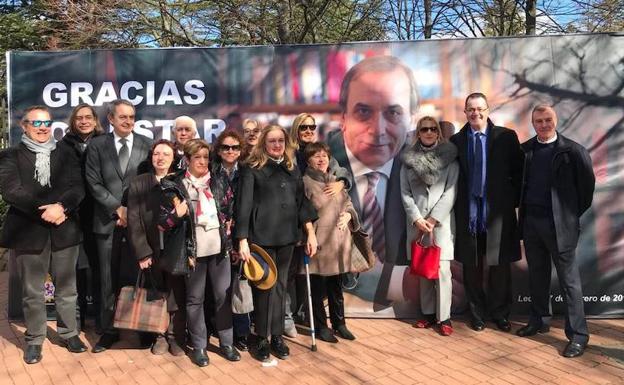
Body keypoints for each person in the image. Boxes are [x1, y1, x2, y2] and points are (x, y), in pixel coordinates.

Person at [0, 105, 87, 364]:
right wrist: (45, 211)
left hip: (65, 228)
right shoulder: (10, 155)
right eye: (37, 123)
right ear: (24, 126)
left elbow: (77, 186)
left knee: (67, 289)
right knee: (32, 291)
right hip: (29, 232)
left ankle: (69, 333)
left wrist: (62, 207)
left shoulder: (67, 152)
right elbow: (11, 190)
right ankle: (35, 339)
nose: (43, 128)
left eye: (47, 123)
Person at [327, 55, 415, 309]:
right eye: (363, 112)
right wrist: (400, 282)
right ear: (343, 119)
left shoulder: (420, 169)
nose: (377, 130)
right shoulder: (322, 168)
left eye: (393, 112)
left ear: (412, 118)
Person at [516, 104, 595, 358]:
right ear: (533, 123)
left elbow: (586, 191)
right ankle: (539, 320)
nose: (543, 124)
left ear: (555, 120)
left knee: (569, 283)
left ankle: (578, 336)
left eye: (547, 119)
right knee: (537, 276)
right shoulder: (525, 150)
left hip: (560, 226)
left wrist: (567, 217)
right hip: (532, 223)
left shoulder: (573, 152)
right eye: (538, 121)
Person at [235, 125, 318, 361]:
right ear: (264, 143)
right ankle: (261, 338)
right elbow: (244, 205)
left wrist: (310, 232)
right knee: (264, 288)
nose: (277, 145)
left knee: (281, 287)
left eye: (280, 140)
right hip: (261, 238)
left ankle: (277, 336)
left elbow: (302, 203)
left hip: (288, 238)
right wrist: (242, 240)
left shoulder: (292, 169)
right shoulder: (251, 168)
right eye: (272, 141)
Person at [159, 139, 240, 366]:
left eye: (206, 157)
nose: (203, 162)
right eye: (197, 157)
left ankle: (226, 343)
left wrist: (230, 234)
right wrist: (176, 214)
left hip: (218, 250)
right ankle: (200, 346)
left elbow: (229, 210)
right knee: (195, 299)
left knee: (223, 297)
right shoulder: (174, 185)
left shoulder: (219, 181)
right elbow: (162, 223)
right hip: (193, 252)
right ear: (187, 160)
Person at [449, 92, 524, 332]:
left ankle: (500, 313)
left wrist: (508, 201)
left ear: (488, 110)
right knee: (472, 266)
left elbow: (519, 173)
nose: (475, 113)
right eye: (470, 109)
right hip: (468, 216)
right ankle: (477, 313)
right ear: (465, 112)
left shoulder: (506, 137)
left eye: (480, 108)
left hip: (497, 215)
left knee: (500, 266)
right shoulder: (456, 142)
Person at [85, 99, 153, 352]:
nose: (128, 121)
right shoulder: (97, 146)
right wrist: (117, 208)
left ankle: (144, 328)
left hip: (138, 224)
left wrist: (132, 212)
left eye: (132, 117)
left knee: (140, 274)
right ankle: (108, 330)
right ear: (110, 119)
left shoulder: (147, 145)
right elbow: (93, 181)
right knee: (107, 277)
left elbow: (150, 181)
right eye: (122, 117)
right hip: (107, 221)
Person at [286, 113, 352, 336]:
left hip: (332, 233)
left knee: (333, 280)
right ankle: (307, 319)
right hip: (306, 229)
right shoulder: (291, 155)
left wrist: (342, 182)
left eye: (311, 126)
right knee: (306, 280)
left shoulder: (322, 155)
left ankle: (339, 323)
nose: (308, 130)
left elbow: (340, 172)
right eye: (303, 126)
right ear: (296, 128)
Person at [126, 139, 186, 356]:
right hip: (151, 248)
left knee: (176, 293)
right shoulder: (139, 183)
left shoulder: (180, 182)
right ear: (151, 157)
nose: (160, 158)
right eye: (157, 154)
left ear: (173, 159)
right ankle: (159, 336)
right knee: (156, 293)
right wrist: (142, 251)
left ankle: (174, 336)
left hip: (175, 248)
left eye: (166, 154)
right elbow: (134, 220)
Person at [400, 117, 459, 336]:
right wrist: (417, 218)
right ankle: (426, 314)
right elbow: (404, 192)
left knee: (442, 271)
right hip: (417, 223)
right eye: (424, 129)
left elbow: (451, 191)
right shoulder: (408, 160)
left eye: (433, 129)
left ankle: (444, 317)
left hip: (440, 225)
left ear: (438, 133)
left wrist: (434, 219)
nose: (428, 132)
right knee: (423, 270)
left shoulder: (451, 159)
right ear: (418, 133)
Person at [302, 142, 359, 343]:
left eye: (324, 155)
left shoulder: (336, 181)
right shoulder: (305, 183)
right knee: (317, 288)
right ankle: (320, 326)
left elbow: (349, 203)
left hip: (339, 242)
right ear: (308, 160)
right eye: (316, 156)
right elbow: (302, 213)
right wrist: (309, 233)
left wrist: (349, 216)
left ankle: (340, 323)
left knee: (336, 287)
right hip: (319, 243)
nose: (321, 159)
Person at [59, 103, 104, 330]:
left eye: (88, 117)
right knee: (75, 271)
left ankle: (99, 318)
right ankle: (76, 320)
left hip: (100, 216)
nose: (84, 121)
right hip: (73, 218)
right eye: (79, 118)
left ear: (95, 120)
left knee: (99, 269)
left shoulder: (106, 143)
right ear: (73, 122)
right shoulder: (63, 146)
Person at [209, 130, 250, 352]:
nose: (231, 151)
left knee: (240, 283)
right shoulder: (211, 171)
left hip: (242, 234)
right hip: (217, 234)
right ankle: (219, 328)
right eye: (226, 147)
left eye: (235, 147)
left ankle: (242, 332)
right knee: (220, 287)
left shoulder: (247, 171)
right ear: (219, 150)